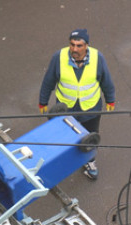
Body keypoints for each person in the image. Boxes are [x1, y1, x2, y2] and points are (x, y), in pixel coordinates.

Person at [39, 29, 115, 180]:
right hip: (65, 110)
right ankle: (65, 161)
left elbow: (106, 81)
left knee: (90, 136)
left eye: (79, 45)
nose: (74, 49)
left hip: (91, 109)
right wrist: (43, 101)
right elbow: (48, 82)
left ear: (86, 45)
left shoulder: (97, 58)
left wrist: (110, 99)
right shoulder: (58, 57)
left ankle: (90, 162)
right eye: (72, 45)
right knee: (64, 136)